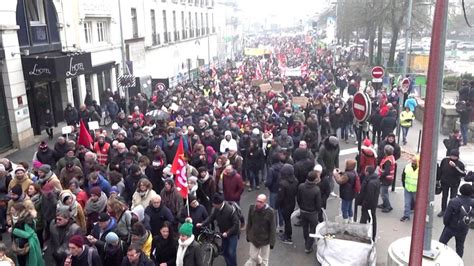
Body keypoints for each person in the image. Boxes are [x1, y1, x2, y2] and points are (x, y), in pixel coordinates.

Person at [197, 194, 240, 266]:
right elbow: (211, 217)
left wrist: (228, 233)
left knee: (231, 252)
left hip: (232, 234)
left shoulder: (230, 210)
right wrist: (202, 224)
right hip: (223, 233)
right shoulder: (216, 209)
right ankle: (229, 264)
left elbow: (236, 224)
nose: (212, 205)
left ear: (219, 204)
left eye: (214, 204)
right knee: (225, 252)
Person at [439, 184, 474, 258]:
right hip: (463, 228)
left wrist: (446, 224)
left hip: (451, 227)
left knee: (442, 242)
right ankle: (458, 261)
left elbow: (447, 216)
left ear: (460, 190)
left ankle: (443, 256)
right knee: (460, 246)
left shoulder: (454, 201)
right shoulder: (472, 202)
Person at [245, 194, 276, 266]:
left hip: (265, 239)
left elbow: (272, 228)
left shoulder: (270, 212)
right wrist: (248, 234)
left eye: (261, 202)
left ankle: (262, 264)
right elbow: (249, 222)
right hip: (254, 237)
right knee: (253, 256)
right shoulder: (252, 208)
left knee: (265, 259)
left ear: (265, 202)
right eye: (257, 201)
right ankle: (260, 262)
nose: (258, 203)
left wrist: (272, 242)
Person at [297, 170, 322, 254]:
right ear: (315, 179)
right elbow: (318, 204)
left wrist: (301, 207)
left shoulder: (301, 186)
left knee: (305, 228)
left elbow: (298, 199)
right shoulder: (316, 189)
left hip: (303, 211)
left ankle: (306, 242)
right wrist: (318, 211)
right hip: (312, 213)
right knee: (312, 229)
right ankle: (308, 246)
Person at [437, 149, 466, 217]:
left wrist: (455, 167)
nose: (453, 157)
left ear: (457, 157)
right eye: (452, 156)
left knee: (453, 198)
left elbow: (463, 173)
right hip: (445, 182)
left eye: (454, 156)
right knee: (444, 197)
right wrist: (438, 179)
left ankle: (451, 211)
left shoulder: (460, 164)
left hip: (454, 183)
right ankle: (443, 210)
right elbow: (441, 170)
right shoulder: (445, 160)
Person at [276, 163, 298, 244]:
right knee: (287, 219)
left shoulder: (283, 183)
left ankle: (288, 236)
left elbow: (280, 197)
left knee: (287, 220)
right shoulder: (295, 180)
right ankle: (287, 234)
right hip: (291, 203)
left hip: (285, 205)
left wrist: (276, 205)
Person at [358, 166, 380, 241]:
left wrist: (364, 203)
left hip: (368, 205)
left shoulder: (370, 182)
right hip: (373, 204)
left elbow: (369, 195)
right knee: (372, 219)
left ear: (367, 172)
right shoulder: (375, 179)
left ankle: (362, 235)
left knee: (364, 219)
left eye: (365, 170)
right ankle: (373, 235)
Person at [400, 155, 419, 222]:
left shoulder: (420, 169)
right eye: (412, 161)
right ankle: (406, 215)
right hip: (408, 188)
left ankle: (418, 216)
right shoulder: (407, 167)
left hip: (416, 190)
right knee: (407, 203)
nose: (413, 162)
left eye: (414, 161)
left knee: (418, 204)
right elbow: (403, 177)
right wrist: (404, 185)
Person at [377, 145, 396, 213]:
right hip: (389, 178)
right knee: (385, 192)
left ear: (385, 151)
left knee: (383, 193)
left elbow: (386, 171)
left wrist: (380, 177)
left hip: (386, 179)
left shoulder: (388, 160)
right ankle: (385, 204)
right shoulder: (391, 157)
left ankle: (388, 206)